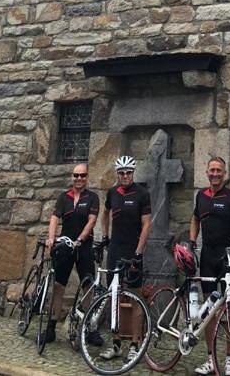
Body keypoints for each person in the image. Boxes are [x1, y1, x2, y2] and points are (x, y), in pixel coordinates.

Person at [189, 156, 230, 376]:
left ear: (224, 174)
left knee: (228, 308)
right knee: (209, 310)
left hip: (227, 257)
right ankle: (210, 358)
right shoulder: (201, 196)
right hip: (207, 256)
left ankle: (229, 360)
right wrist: (192, 241)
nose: (215, 174)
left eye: (219, 170)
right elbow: (195, 219)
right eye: (212, 170)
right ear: (207, 173)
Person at [100, 154, 152, 363]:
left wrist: (139, 252)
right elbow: (105, 213)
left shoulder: (142, 194)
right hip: (115, 249)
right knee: (113, 295)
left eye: (128, 173)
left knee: (135, 296)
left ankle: (135, 344)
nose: (125, 176)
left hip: (133, 250)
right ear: (117, 174)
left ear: (133, 173)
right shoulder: (112, 192)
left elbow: (146, 224)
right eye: (121, 173)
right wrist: (105, 236)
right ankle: (116, 343)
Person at [43, 162, 99, 345]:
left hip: (84, 247)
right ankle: (51, 328)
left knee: (88, 287)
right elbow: (54, 218)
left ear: (87, 177)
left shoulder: (92, 198)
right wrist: (51, 238)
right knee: (58, 286)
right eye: (76, 175)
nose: (79, 178)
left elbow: (91, 221)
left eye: (82, 175)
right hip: (65, 245)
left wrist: (80, 239)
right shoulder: (63, 197)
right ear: (72, 177)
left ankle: (90, 329)